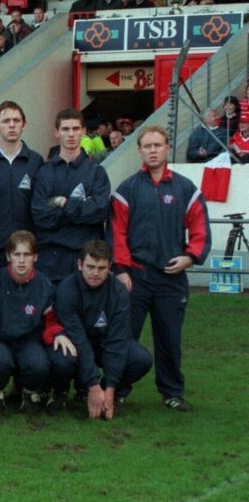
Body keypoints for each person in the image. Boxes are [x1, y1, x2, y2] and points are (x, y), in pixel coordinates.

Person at [111, 125, 211, 412]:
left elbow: (200, 227)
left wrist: (190, 258)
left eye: (158, 145)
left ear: (167, 148)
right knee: (124, 338)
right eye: (147, 146)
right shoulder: (127, 189)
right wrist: (121, 270)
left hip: (172, 277)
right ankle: (117, 389)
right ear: (140, 150)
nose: (153, 151)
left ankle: (171, 392)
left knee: (169, 338)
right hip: (135, 277)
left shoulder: (185, 188)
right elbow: (116, 232)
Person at [44, 240, 153, 418]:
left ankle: (114, 395)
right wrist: (92, 384)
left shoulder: (119, 292)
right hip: (75, 343)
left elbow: (117, 340)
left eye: (101, 268)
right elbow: (79, 340)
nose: (95, 273)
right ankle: (60, 393)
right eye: (91, 266)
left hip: (104, 343)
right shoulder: (66, 290)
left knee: (141, 358)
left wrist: (109, 387)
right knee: (62, 359)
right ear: (80, 265)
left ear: (110, 267)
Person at [0, 231, 55, 414]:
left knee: (38, 364)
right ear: (8, 256)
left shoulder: (45, 286)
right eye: (17, 254)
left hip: (29, 340)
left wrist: (56, 335)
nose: (21, 260)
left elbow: (51, 321)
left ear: (35, 257)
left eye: (27, 255)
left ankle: (29, 392)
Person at [32, 109, 111, 283]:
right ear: (56, 132)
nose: (71, 134)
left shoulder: (96, 172)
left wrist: (63, 203)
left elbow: (98, 212)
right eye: (65, 129)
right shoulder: (44, 172)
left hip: (85, 261)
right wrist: (79, 211)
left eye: (76, 129)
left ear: (83, 131)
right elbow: (40, 216)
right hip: (50, 260)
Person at [0, 101, 44, 271]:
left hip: (25, 251)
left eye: (16, 120)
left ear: (24, 124)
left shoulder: (35, 161)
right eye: (6, 121)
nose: (11, 125)